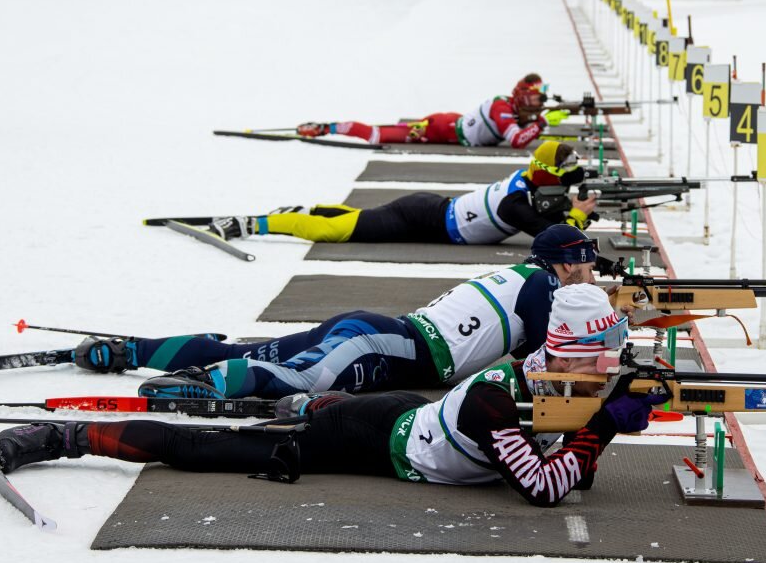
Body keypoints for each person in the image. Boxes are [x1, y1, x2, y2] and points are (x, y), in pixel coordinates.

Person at [0, 284, 670, 507]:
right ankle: (64, 435)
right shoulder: (500, 399)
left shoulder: (556, 378)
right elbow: (543, 487)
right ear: (576, 352)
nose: (614, 369)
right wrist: (606, 424)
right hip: (381, 436)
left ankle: (303, 405)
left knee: (320, 407)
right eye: (606, 357)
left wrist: (601, 418)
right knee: (210, 449)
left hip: (414, 412)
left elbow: (567, 456)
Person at [74, 224, 608, 400]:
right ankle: (208, 383)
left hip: (381, 332)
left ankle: (126, 351)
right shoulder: (542, 287)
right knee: (305, 379)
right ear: (560, 265)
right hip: (392, 346)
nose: (590, 275)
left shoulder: (522, 278)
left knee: (244, 349)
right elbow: (550, 359)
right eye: (583, 265)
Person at [204, 140, 598, 247]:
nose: (567, 184)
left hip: (431, 215)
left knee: (355, 218)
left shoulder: (526, 182)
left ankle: (310, 209)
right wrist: (577, 215)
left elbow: (547, 211)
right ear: (545, 175)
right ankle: (254, 222)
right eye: (562, 178)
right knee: (337, 233)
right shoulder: (515, 203)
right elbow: (548, 237)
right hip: (421, 218)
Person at [297, 73, 561, 148]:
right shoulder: (503, 107)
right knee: (379, 135)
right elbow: (516, 140)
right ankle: (326, 127)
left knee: (386, 132)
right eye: (536, 99)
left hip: (452, 124)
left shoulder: (512, 108)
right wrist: (541, 123)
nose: (538, 104)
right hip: (440, 128)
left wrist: (538, 121)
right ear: (523, 96)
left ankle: (327, 126)